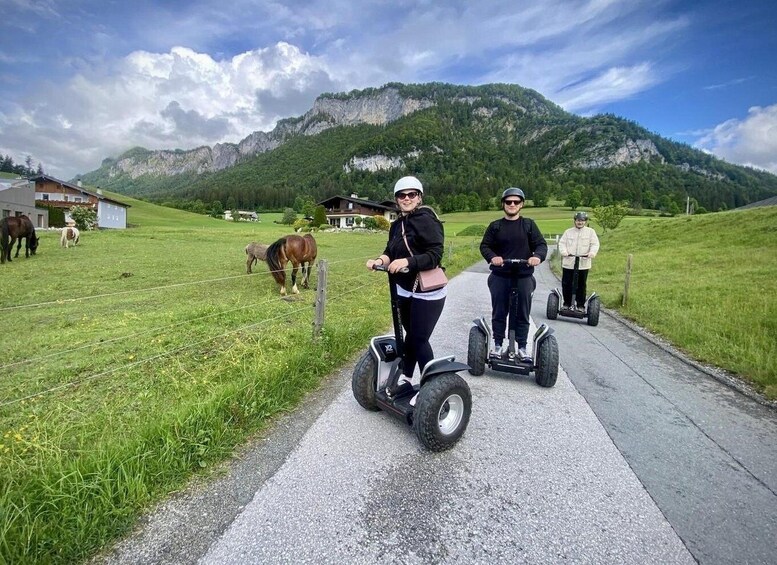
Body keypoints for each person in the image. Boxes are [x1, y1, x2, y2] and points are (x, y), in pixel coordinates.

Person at [366, 175, 446, 402]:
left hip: (427, 290)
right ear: (396, 199)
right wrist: (380, 261)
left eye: (412, 194)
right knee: (411, 336)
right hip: (403, 288)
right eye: (402, 195)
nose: (407, 198)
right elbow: (390, 250)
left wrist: (409, 263)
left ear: (419, 197)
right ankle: (406, 379)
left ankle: (430, 387)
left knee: (419, 338)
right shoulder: (396, 225)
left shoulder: (427, 220)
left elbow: (434, 255)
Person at [479, 187, 547, 361]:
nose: (512, 204)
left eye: (516, 202)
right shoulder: (495, 226)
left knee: (522, 313)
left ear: (521, 204)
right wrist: (493, 257)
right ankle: (498, 345)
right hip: (500, 276)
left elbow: (541, 245)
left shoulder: (529, 225)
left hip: (523, 277)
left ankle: (522, 347)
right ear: (503, 204)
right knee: (499, 312)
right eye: (508, 202)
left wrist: (537, 257)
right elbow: (485, 246)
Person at [558, 211, 600, 310]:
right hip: (569, 262)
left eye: (582, 221)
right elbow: (562, 243)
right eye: (578, 220)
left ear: (585, 221)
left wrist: (592, 253)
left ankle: (580, 305)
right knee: (566, 283)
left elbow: (595, 244)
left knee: (581, 284)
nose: (580, 222)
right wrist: (564, 252)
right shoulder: (568, 232)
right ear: (575, 221)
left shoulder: (590, 232)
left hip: (583, 263)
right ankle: (567, 303)